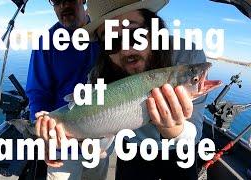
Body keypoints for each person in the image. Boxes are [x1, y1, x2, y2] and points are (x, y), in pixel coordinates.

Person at [83, 0, 207, 179]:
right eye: (111, 41)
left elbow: (194, 132)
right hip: (132, 148)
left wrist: (175, 130)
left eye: (134, 34)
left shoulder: (187, 57)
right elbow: (92, 130)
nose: (126, 51)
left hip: (180, 151)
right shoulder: (99, 74)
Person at [25, 0, 104, 179]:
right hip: (63, 146)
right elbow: (38, 94)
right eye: (56, 1)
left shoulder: (105, 33)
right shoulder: (46, 42)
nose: (63, 5)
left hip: (101, 140)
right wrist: (43, 136)